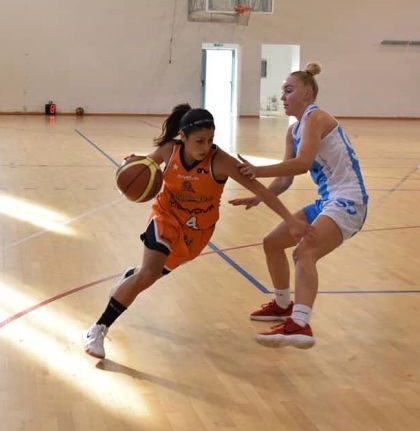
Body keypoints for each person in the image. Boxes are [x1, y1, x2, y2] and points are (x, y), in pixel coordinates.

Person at [84, 104, 313, 358]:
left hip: (197, 231)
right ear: (183, 136)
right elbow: (143, 167)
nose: (205, 147)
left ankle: (131, 276)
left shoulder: (221, 161)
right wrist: (131, 165)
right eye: (200, 141)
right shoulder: (169, 150)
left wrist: (290, 220)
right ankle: (98, 329)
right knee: (149, 272)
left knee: (148, 276)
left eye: (210, 140)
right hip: (165, 216)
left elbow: (261, 191)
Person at [230, 62, 368, 349]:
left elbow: (302, 164)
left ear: (307, 93)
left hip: (349, 200)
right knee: (272, 242)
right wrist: (260, 195)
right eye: (283, 91)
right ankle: (283, 305)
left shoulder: (316, 118)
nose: (282, 97)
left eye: (288, 91)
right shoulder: (293, 130)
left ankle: (300, 324)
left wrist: (257, 170)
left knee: (305, 252)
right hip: (327, 201)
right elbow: (285, 179)